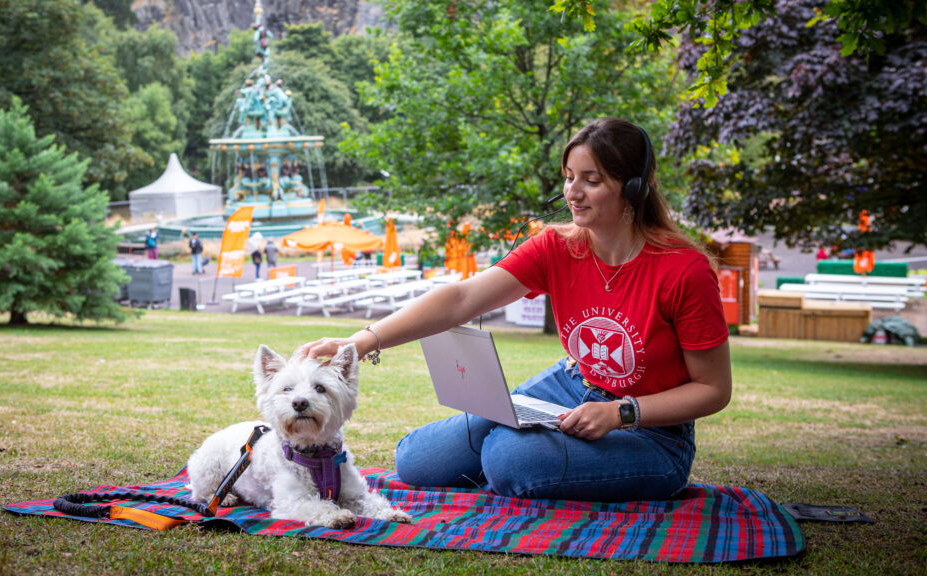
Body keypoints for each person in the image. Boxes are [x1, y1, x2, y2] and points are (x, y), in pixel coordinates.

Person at [299, 117, 731, 503]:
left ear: (635, 186)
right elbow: (462, 298)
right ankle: (540, 449)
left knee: (508, 459)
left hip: (653, 432)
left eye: (591, 180)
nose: (572, 192)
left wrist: (621, 412)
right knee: (417, 460)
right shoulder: (556, 247)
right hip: (573, 387)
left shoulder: (685, 271)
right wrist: (359, 341)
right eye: (568, 177)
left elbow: (713, 389)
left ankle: (537, 456)